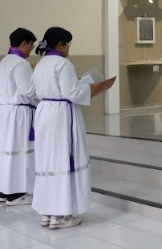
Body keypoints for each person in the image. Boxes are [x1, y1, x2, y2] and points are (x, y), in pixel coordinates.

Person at [32, 27, 116, 230]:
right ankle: (60, 215)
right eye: (68, 43)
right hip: (61, 116)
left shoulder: (41, 63)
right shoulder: (63, 64)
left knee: (48, 161)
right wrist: (90, 88)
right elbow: (71, 92)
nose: (69, 47)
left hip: (45, 112)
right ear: (60, 44)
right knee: (63, 160)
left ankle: (47, 212)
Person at [0, 27, 38, 206]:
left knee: (7, 151)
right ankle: (16, 194)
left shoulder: (4, 61)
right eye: (31, 45)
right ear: (24, 43)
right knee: (19, 151)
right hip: (19, 113)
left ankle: (4, 191)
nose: (31, 49)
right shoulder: (20, 63)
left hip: (6, 111)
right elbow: (28, 90)